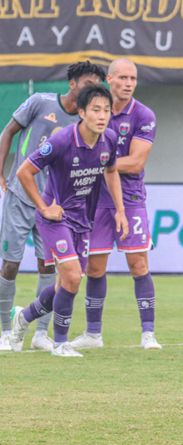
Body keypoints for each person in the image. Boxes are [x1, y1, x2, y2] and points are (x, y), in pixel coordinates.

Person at [8, 85, 128, 357]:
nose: (102, 115)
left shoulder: (108, 139)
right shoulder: (62, 140)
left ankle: (23, 317)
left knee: (66, 284)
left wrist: (120, 209)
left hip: (83, 220)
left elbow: (111, 172)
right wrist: (44, 207)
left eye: (106, 110)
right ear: (81, 112)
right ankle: (60, 343)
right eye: (96, 110)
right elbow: (25, 171)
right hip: (55, 219)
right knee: (73, 277)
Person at [0, 61, 106, 352]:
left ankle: (40, 334)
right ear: (73, 84)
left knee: (49, 268)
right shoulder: (40, 102)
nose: (92, 89)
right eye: (87, 83)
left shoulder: (86, 125)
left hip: (55, 206)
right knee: (9, 264)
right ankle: (5, 331)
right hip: (22, 195)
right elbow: (8, 132)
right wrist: (1, 173)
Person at [70, 58, 161, 351]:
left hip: (131, 198)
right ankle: (93, 334)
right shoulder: (95, 110)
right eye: (122, 77)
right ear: (109, 79)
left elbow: (136, 162)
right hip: (94, 199)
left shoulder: (144, 114)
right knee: (95, 267)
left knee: (138, 263)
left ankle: (148, 334)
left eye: (132, 78)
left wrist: (99, 163)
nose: (128, 83)